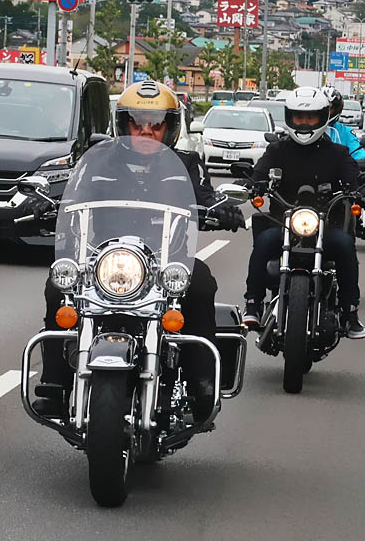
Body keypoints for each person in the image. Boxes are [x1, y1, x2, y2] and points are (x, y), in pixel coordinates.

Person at [35, 81, 245, 420]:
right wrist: (48, 204)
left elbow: (206, 195)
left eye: (156, 123)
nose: (146, 131)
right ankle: (54, 383)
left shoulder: (188, 163)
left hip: (167, 261)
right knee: (58, 286)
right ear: (122, 124)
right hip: (101, 258)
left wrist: (222, 207)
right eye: (137, 122)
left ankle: (201, 383)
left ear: (171, 127)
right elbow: (72, 192)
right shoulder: (98, 160)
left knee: (202, 284)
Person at [242, 87, 365, 339]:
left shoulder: (337, 153)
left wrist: (361, 191)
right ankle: (253, 303)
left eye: (310, 118)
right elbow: (259, 173)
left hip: (325, 226)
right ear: (290, 118)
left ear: (322, 118)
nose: (304, 123)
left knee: (344, 245)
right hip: (284, 224)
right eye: (299, 117)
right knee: (264, 241)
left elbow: (353, 177)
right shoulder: (277, 150)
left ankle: (349, 311)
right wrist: (249, 185)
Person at [322, 86, 365, 160]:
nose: (324, 112)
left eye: (329, 108)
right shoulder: (303, 129)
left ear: (337, 109)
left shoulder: (346, 132)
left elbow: (357, 152)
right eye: (321, 108)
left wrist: (363, 160)